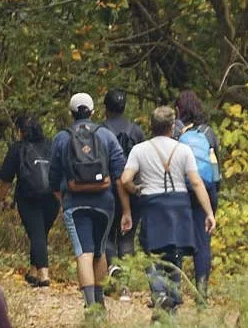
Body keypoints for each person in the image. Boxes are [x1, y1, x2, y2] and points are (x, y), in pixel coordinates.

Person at [119, 107, 215, 315]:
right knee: (175, 253)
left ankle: (159, 292)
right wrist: (208, 213)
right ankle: (171, 305)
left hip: (152, 204)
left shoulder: (140, 150)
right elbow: (196, 183)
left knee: (149, 251)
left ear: (151, 126)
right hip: (179, 204)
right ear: (172, 126)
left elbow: (125, 179)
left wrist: (135, 190)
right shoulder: (183, 150)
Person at [49, 92, 126, 310]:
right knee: (99, 251)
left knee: (83, 252)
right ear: (93, 112)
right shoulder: (106, 135)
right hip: (105, 202)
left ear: (70, 113)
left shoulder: (62, 138)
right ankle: (100, 304)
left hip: (75, 203)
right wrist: (125, 206)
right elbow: (119, 170)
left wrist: (62, 197)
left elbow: (53, 176)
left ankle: (90, 305)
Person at [0, 114, 60, 287]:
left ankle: (44, 274)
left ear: (20, 131)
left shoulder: (17, 148)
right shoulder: (51, 146)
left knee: (37, 234)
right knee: (40, 233)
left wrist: (3, 199)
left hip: (28, 197)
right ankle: (33, 270)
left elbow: (6, 179)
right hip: (53, 197)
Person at [175, 90, 224, 298]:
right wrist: (213, 196)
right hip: (205, 187)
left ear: (179, 110)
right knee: (203, 244)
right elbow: (215, 166)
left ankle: (173, 292)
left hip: (181, 190)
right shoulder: (208, 133)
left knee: (175, 240)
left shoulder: (176, 132)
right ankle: (202, 294)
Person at [101, 89, 146, 271]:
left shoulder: (100, 131)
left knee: (108, 234)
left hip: (107, 189)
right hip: (132, 188)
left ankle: (113, 270)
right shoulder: (136, 131)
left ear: (106, 108)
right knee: (127, 236)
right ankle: (125, 281)